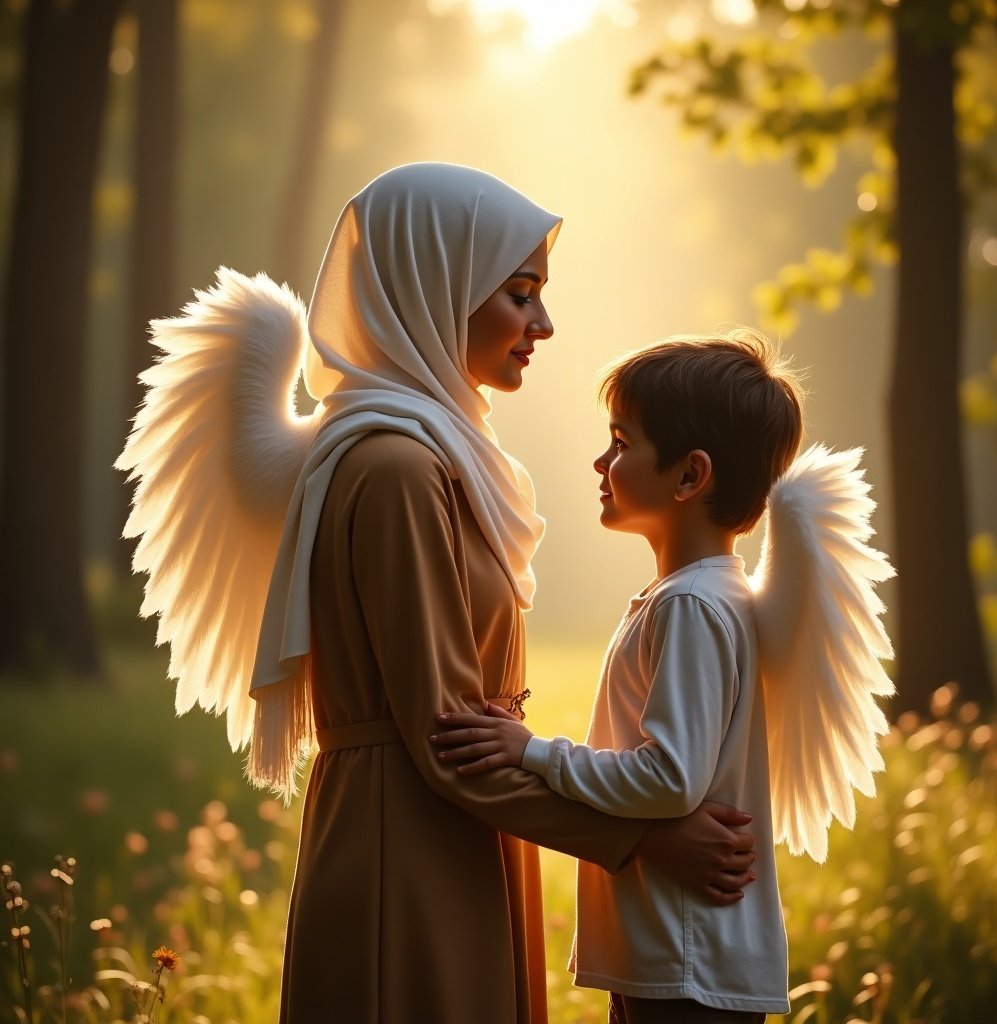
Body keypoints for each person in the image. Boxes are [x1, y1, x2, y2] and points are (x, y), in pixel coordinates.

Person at [118, 164, 760, 1024]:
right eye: (521, 293)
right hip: (409, 847)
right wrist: (643, 839)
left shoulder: (431, 455)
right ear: (438, 284)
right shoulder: (396, 468)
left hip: (458, 829)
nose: (544, 323)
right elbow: (447, 738)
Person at [431, 332, 896, 1024]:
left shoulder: (691, 606)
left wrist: (530, 751)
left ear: (689, 476)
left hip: (686, 968)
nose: (602, 459)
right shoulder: (699, 597)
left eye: (621, 442)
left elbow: (670, 778)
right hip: (677, 960)